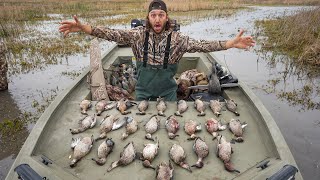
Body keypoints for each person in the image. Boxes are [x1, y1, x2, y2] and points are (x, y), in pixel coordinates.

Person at [59, 0, 255, 101]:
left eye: (161, 14)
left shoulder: (178, 40)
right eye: (153, 15)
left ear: (167, 18)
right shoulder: (137, 35)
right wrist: (85, 28)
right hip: (143, 93)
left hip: (168, 94)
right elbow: (112, 34)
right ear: (148, 18)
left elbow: (203, 45)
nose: (157, 18)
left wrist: (229, 43)